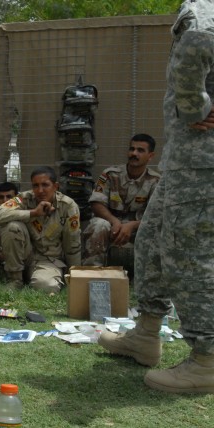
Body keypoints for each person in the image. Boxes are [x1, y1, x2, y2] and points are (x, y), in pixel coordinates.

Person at [98, 0, 214, 394]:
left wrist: (193, 105)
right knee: (149, 239)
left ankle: (207, 359)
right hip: (185, 160)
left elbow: (198, 40)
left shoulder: (202, 9)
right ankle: (146, 333)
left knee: (189, 253)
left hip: (201, 163)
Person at [0, 166, 81, 293]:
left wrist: (74, 277)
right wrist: (32, 213)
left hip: (49, 261)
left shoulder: (68, 206)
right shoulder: (24, 199)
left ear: (56, 186)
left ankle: (38, 278)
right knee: (12, 227)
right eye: (35, 186)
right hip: (26, 256)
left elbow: (72, 245)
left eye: (45, 185)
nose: (40, 190)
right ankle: (15, 280)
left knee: (45, 287)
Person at [82, 134, 160, 268]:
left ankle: (147, 279)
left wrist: (132, 225)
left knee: (156, 230)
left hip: (138, 229)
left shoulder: (156, 181)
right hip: (110, 226)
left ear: (151, 156)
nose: (134, 153)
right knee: (98, 224)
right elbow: (96, 203)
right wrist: (114, 221)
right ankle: (92, 273)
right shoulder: (110, 174)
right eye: (132, 149)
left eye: (140, 150)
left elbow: (157, 216)